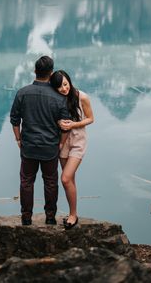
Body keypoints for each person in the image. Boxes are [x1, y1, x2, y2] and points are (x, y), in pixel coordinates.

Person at [10, 55, 69, 226]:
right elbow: (65, 126)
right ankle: (50, 217)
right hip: (50, 147)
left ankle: (26, 218)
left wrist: (18, 139)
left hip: (28, 146)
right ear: (51, 74)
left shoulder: (22, 93)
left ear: (35, 71)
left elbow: (15, 119)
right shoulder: (59, 98)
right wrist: (61, 143)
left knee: (26, 181)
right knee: (50, 181)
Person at [50, 69, 94, 229]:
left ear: (69, 80)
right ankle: (72, 214)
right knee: (71, 180)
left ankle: (73, 215)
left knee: (65, 178)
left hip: (78, 142)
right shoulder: (55, 98)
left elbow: (91, 118)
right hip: (62, 142)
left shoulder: (81, 96)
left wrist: (73, 124)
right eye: (59, 87)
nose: (64, 89)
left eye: (65, 84)